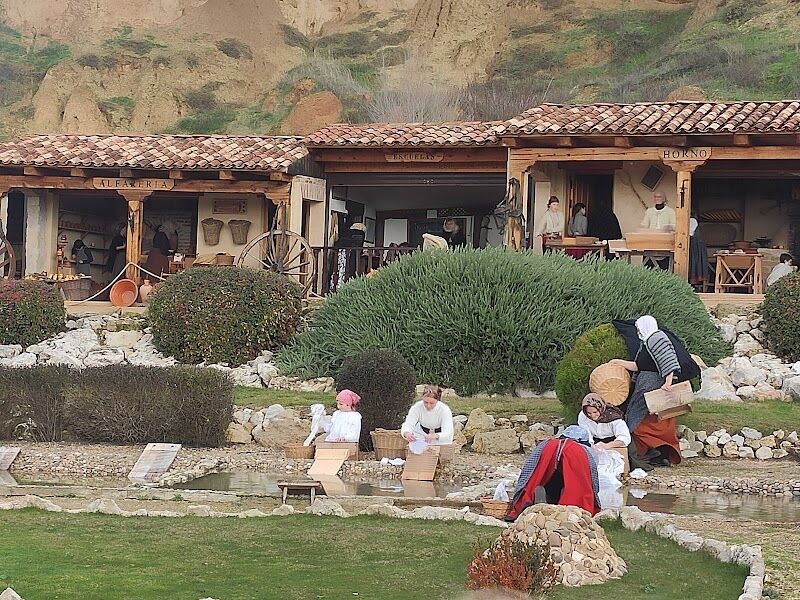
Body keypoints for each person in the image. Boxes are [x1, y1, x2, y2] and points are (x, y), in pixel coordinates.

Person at [610, 315, 691, 469]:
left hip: (653, 388)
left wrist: (667, 382)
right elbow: (639, 366)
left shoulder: (657, 338)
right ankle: (648, 454)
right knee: (638, 419)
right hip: (644, 386)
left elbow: (668, 360)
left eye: (639, 327)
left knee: (641, 421)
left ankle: (654, 453)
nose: (638, 330)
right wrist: (618, 362)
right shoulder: (647, 342)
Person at [505, 425, 600, 520]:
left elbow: (529, 469)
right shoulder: (583, 449)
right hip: (574, 456)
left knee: (540, 479)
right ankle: (569, 509)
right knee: (574, 485)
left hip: (549, 461)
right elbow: (591, 476)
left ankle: (533, 500)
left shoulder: (546, 444)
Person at [688, 217, 709, 291]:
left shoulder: (692, 221)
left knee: (693, 263)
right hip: (692, 247)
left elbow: (690, 233)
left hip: (694, 247)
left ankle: (693, 284)